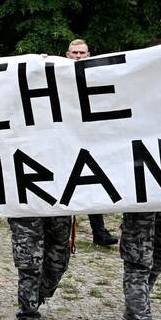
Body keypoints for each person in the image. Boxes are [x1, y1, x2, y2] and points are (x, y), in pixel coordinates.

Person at [64, 38, 118, 246]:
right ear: (68, 55)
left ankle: (99, 232)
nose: (78, 56)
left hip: (88, 137)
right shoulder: (57, 76)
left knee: (93, 182)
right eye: (74, 53)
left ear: (88, 55)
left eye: (82, 53)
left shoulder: (96, 77)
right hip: (66, 138)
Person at [8, 216, 72, 320]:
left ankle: (36, 297)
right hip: (26, 213)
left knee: (57, 265)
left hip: (59, 214)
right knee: (29, 266)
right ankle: (28, 317)